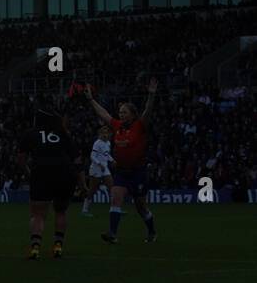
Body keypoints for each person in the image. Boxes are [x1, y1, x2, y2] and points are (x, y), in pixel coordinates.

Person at [86, 79, 159, 243]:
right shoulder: (117, 125)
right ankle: (112, 234)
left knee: (140, 207)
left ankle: (152, 231)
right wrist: (91, 100)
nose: (121, 114)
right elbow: (103, 114)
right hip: (121, 172)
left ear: (133, 114)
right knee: (116, 197)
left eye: (124, 112)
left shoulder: (140, 125)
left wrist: (152, 95)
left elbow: (148, 110)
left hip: (138, 172)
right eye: (120, 112)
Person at [19, 108, 78, 259]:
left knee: (38, 214)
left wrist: (29, 174)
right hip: (64, 173)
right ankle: (58, 245)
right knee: (60, 211)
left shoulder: (30, 133)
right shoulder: (62, 133)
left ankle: (35, 247)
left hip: (41, 173)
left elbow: (21, 159)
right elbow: (74, 157)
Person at [80, 126, 113, 217]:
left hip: (104, 168)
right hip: (96, 169)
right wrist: (100, 164)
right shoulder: (97, 143)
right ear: (100, 134)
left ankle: (115, 209)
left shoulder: (108, 143)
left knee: (112, 187)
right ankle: (85, 210)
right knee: (92, 190)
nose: (105, 134)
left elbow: (106, 155)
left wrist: (112, 160)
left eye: (106, 132)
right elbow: (92, 156)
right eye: (103, 133)